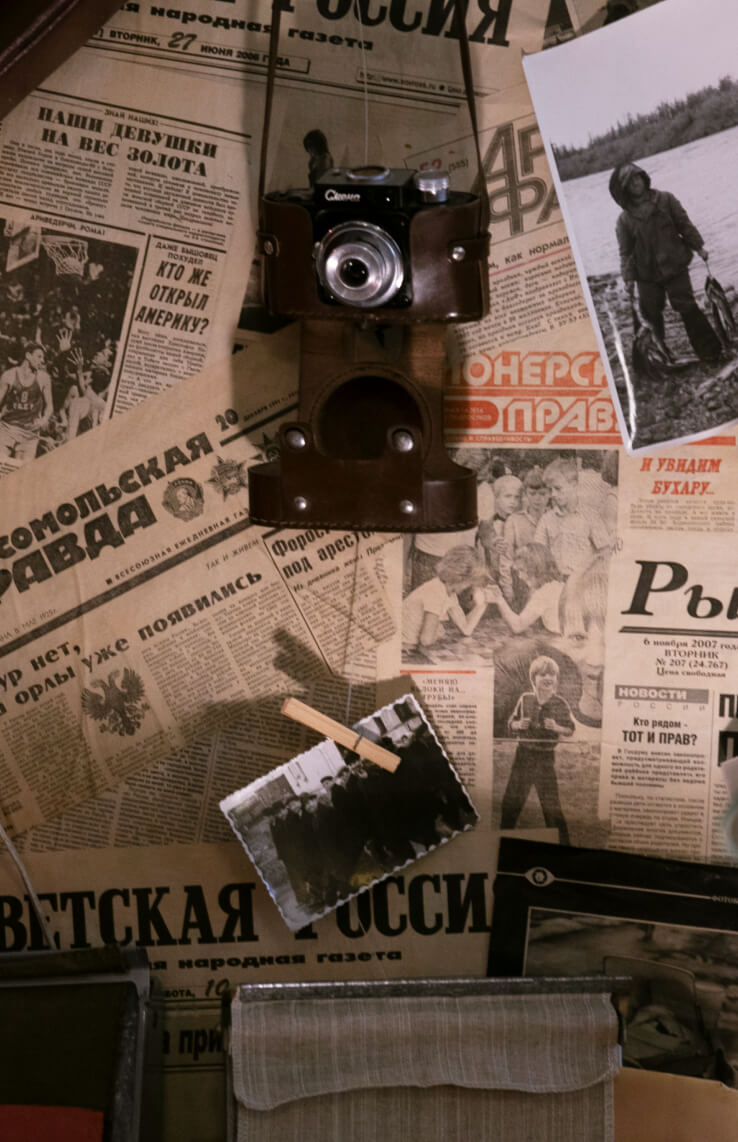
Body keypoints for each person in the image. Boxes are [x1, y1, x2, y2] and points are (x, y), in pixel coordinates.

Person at [609, 162, 722, 364]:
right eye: (630, 181)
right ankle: (657, 358)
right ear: (625, 189)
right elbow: (625, 253)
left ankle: (710, 352)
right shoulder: (624, 220)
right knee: (650, 314)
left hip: (675, 267)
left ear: (644, 178)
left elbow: (684, 226)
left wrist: (699, 247)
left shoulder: (666, 199)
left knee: (687, 306)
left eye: (637, 177)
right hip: (646, 276)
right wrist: (628, 279)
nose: (636, 183)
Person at [500, 655, 574, 844]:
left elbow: (570, 729)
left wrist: (556, 727)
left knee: (551, 807)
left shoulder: (560, 703)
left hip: (545, 759)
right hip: (523, 756)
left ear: (556, 679)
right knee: (511, 802)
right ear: (534, 679)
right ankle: (500, 841)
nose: (548, 678)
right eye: (543, 674)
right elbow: (510, 723)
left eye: (552, 674)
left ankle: (564, 846)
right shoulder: (525, 699)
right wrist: (518, 725)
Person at [534, 457, 612, 580]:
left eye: (558, 488)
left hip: (584, 582)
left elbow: (605, 552)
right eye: (550, 490)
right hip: (556, 582)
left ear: (574, 485)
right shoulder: (546, 520)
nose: (553, 494)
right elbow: (537, 554)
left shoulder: (590, 516)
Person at [402, 545, 488, 651]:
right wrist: (438, 632)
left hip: (412, 647)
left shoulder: (449, 592)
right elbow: (426, 640)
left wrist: (482, 604)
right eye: (470, 582)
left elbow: (466, 629)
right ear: (460, 578)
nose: (470, 586)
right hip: (404, 649)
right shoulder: (435, 592)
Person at [487, 543, 564, 636]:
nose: (520, 576)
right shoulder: (556, 585)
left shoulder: (544, 592)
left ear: (536, 569)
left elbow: (517, 626)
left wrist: (499, 600)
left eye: (522, 570)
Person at [0, 341, 52, 461]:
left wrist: (44, 419)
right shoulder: (9, 375)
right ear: (28, 355)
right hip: (8, 428)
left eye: (43, 358)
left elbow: (50, 407)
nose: (42, 360)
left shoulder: (44, 378)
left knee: (22, 470)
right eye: (39, 356)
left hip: (29, 434)